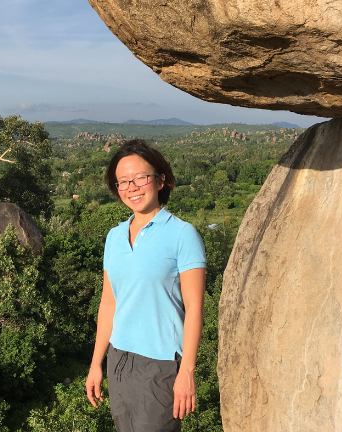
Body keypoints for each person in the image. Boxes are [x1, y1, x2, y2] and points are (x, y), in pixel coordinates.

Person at [85, 139, 206, 431]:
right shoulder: (114, 236)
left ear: (161, 180)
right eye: (123, 181)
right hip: (119, 358)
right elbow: (109, 303)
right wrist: (96, 363)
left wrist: (187, 371)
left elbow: (194, 309)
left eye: (140, 177)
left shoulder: (182, 234)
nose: (132, 187)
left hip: (161, 363)